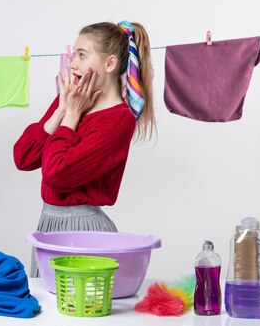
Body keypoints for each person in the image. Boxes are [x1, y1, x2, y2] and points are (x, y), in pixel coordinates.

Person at [13, 21, 156, 276]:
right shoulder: (71, 100)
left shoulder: (118, 120)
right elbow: (23, 158)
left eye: (82, 55)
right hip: (48, 223)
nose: (72, 64)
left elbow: (57, 174)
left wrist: (71, 117)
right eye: (73, 55)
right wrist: (61, 110)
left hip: (84, 232)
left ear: (110, 64)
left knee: (79, 309)